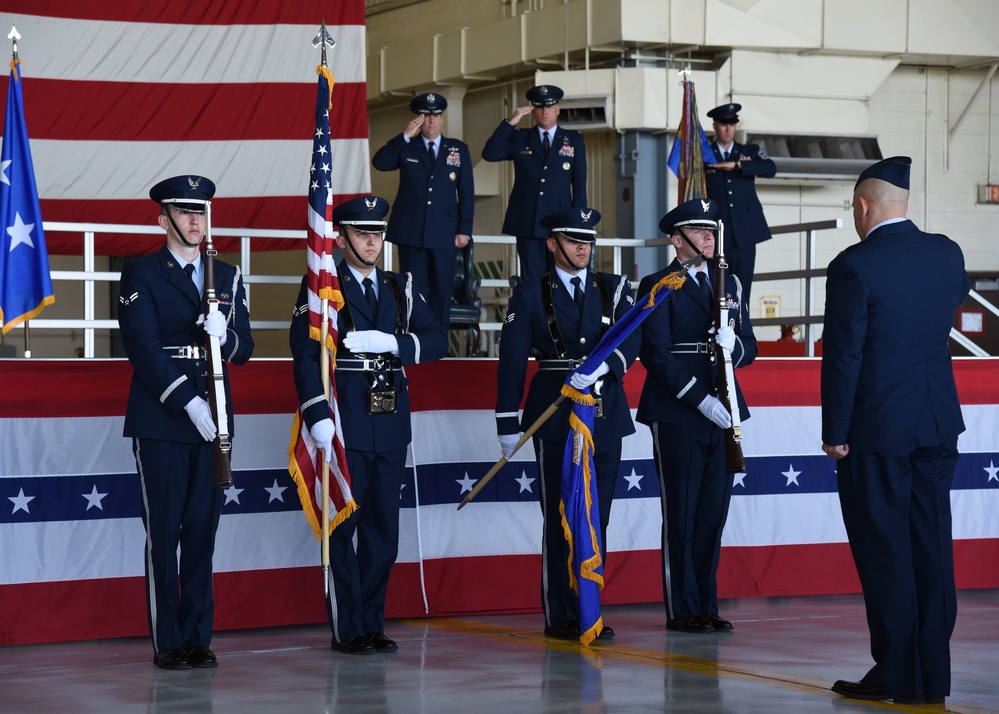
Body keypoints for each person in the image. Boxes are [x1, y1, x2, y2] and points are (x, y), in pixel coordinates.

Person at [821, 157, 970, 706]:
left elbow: (843, 356)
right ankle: (932, 674)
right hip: (936, 424)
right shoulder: (946, 252)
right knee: (931, 548)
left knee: (886, 553)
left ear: (863, 207)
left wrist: (835, 429)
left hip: (877, 431)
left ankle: (898, 675)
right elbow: (956, 293)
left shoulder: (853, 266)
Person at [290, 195, 447, 655]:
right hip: (345, 422)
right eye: (362, 233)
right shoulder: (322, 286)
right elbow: (304, 353)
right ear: (339, 239)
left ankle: (373, 622)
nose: (373, 241)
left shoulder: (401, 287)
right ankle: (347, 626)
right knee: (343, 528)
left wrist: (395, 343)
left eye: (377, 232)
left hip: (390, 420)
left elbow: (436, 339)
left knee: (383, 530)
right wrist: (318, 412)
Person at [118, 175, 254, 670]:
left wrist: (226, 335)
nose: (196, 221)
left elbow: (246, 349)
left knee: (202, 532)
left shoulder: (228, 275)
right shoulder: (142, 273)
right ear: (164, 219)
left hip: (215, 418)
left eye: (201, 213)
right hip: (163, 419)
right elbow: (143, 348)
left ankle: (197, 637)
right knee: (164, 534)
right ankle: (168, 641)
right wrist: (189, 403)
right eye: (185, 212)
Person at [495, 206, 637, 641]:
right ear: (552, 243)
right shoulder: (530, 293)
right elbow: (513, 357)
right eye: (574, 240)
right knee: (560, 518)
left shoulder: (611, 288)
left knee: (598, 516)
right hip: (554, 415)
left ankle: (590, 609)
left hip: (605, 414)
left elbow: (635, 338)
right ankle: (562, 613)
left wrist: (607, 365)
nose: (583, 247)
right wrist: (506, 419)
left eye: (588, 240)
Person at [636, 197, 757, 634]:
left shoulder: (731, 284)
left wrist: (734, 346)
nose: (709, 239)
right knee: (682, 513)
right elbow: (656, 354)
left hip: (724, 412)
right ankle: (682, 607)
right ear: (677, 239)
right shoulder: (658, 283)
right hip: (678, 412)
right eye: (700, 232)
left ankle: (706, 602)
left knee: (712, 513)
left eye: (711, 232)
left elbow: (750, 346)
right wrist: (699, 399)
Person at [372, 92, 474, 329]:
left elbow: (467, 192)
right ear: (418, 119)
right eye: (426, 116)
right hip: (411, 231)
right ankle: (414, 338)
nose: (431, 121)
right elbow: (380, 162)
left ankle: (438, 342)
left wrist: (465, 228)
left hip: (445, 232)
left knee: (441, 288)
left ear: (441, 119)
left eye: (435, 116)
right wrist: (405, 136)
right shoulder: (407, 147)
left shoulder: (457, 150)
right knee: (412, 287)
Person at [482, 84, 587, 279]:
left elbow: (579, 184)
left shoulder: (573, 140)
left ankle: (556, 311)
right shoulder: (520, 137)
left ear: (557, 109)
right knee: (532, 278)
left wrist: (579, 225)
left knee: (561, 276)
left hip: (560, 222)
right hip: (527, 220)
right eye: (539, 107)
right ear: (533, 111)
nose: (544, 111)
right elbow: (490, 153)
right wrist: (510, 122)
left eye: (549, 106)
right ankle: (535, 311)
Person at [703, 103, 776, 302]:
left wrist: (737, 165)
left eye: (732, 124)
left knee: (742, 291)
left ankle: (741, 332)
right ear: (715, 125)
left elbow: (770, 168)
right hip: (717, 233)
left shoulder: (748, 151)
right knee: (717, 290)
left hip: (745, 233)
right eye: (724, 124)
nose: (728, 129)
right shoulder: (704, 154)